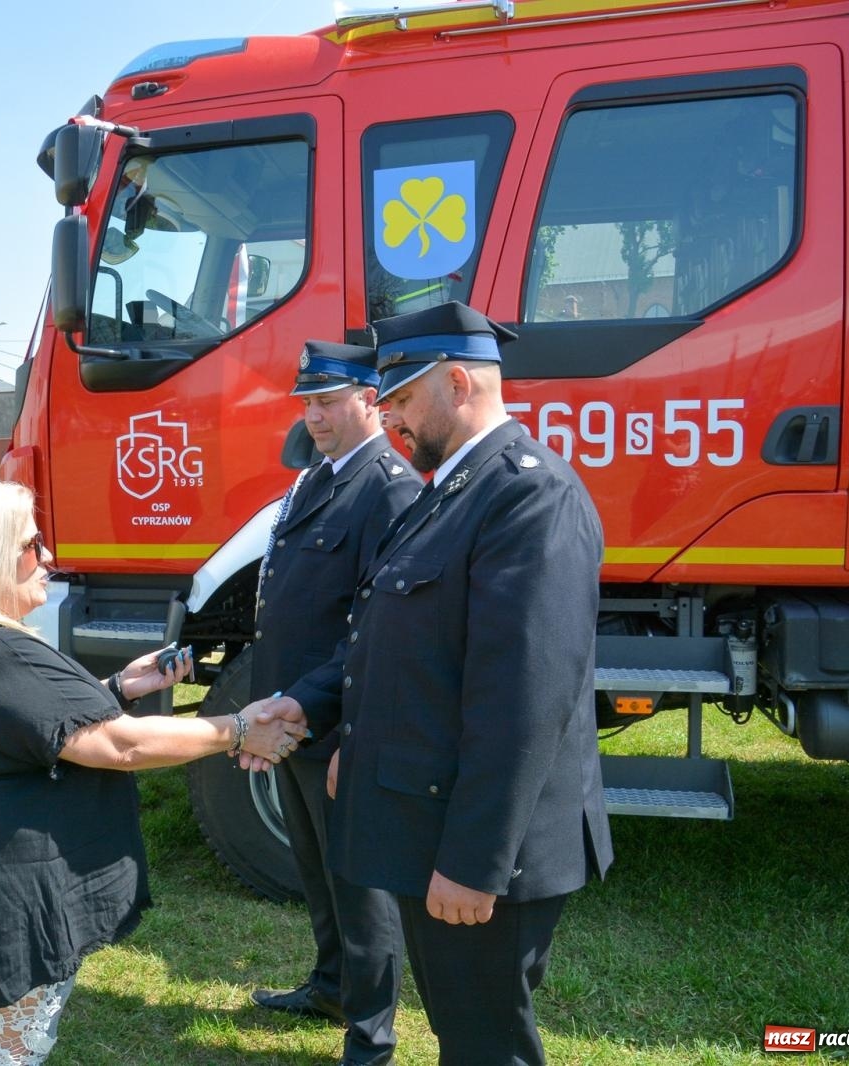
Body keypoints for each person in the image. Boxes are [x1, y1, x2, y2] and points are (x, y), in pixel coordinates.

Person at [250, 302, 614, 1065]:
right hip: (435, 822)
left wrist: (475, 863)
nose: (391, 417)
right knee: (464, 1027)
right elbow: (387, 641)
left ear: (458, 382)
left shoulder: (526, 495)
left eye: (404, 398)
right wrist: (320, 710)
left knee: (485, 1043)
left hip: (487, 853)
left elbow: (523, 699)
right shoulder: (450, 489)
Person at [0, 480, 309, 1066]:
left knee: (7, 1044)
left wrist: (117, 687)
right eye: (31, 545)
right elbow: (121, 746)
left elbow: (22, 727)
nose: (48, 558)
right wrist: (239, 728)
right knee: (8, 1052)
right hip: (7, 892)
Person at [246, 341, 421, 1066]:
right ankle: (330, 988)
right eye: (306, 403)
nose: (313, 417)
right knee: (317, 871)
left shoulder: (388, 487)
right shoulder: (322, 477)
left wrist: (319, 712)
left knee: (359, 885)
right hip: (291, 717)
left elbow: (377, 628)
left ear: (369, 398)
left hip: (337, 719)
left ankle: (371, 1036)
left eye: (327, 402)